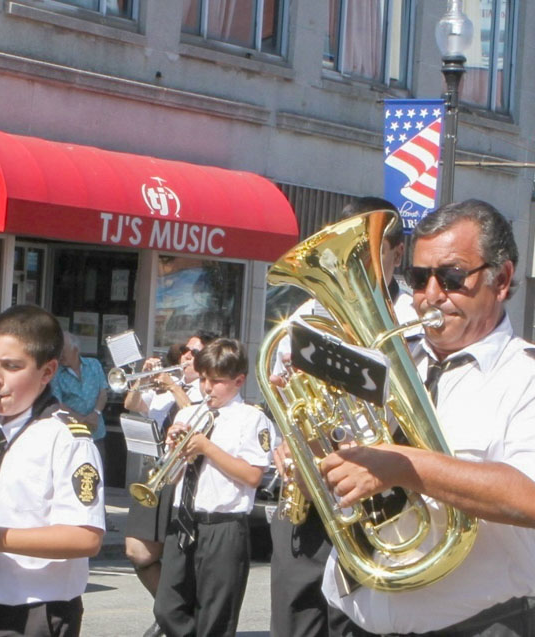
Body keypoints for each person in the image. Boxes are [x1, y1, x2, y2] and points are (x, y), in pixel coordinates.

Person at [318, 199, 535, 636]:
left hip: (475, 625)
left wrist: (402, 466)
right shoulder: (384, 361)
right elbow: (345, 461)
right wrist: (309, 454)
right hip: (353, 616)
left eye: (452, 277)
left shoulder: (525, 376)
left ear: (503, 278)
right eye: (418, 278)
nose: (431, 295)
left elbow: (529, 496)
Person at [268, 196, 412, 637]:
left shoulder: (412, 322)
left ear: (397, 253)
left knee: (359, 625)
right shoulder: (306, 318)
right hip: (312, 500)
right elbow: (285, 404)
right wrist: (285, 441)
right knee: (296, 620)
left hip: (382, 503)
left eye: (367, 256)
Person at [0, 305, 105, 637]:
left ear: (48, 372)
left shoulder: (67, 438)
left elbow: (86, 537)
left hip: (33, 611)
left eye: (12, 366)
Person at [153, 339, 271, 637]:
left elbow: (253, 475)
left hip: (224, 525)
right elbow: (173, 477)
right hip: (184, 520)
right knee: (167, 608)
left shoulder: (252, 419)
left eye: (216, 381)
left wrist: (207, 447)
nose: (207, 388)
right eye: (204, 379)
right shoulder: (186, 414)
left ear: (238, 380)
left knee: (216, 616)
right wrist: (175, 451)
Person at [122, 342, 196, 631]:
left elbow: (194, 416)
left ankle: (172, 616)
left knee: (176, 557)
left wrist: (174, 388)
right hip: (154, 473)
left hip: (182, 477)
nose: (188, 357)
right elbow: (132, 405)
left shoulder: (204, 391)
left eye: (195, 354)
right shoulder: (164, 392)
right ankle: (171, 611)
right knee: (137, 552)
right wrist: (142, 379)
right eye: (185, 353)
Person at [50, 332, 108, 444]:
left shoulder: (94, 365)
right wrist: (80, 419)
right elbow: (57, 402)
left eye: (63, 351)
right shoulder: (56, 373)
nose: (60, 355)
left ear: (75, 350)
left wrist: (96, 414)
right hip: (71, 433)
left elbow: (103, 393)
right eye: (58, 352)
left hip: (96, 431)